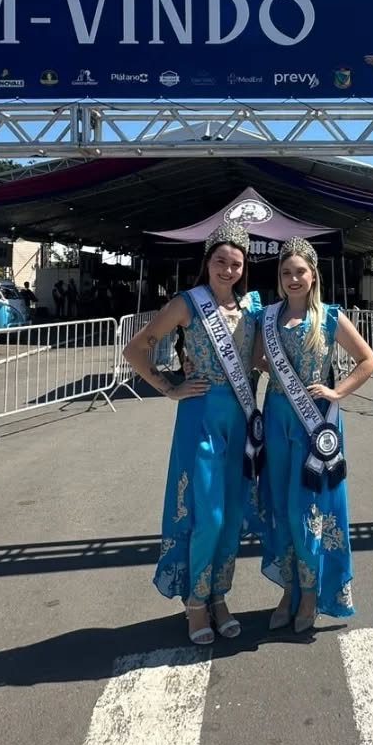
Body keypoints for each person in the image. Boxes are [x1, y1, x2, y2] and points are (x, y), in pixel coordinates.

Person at [122, 222, 265, 645]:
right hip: (199, 417)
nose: (228, 269)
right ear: (207, 263)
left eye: (236, 263)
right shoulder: (187, 304)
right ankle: (196, 602)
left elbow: (263, 357)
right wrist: (170, 388)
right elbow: (137, 348)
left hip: (240, 419)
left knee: (233, 515)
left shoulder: (252, 309)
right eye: (221, 260)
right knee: (208, 516)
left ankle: (219, 595)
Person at [252, 237, 373, 633]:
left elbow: (367, 359)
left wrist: (338, 392)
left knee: (306, 508)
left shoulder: (329, 317)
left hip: (314, 425)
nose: (293, 278)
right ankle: (289, 590)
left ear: (313, 275)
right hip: (276, 418)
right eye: (286, 272)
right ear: (279, 277)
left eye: (300, 272)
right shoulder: (267, 317)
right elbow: (255, 357)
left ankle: (310, 593)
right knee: (279, 507)